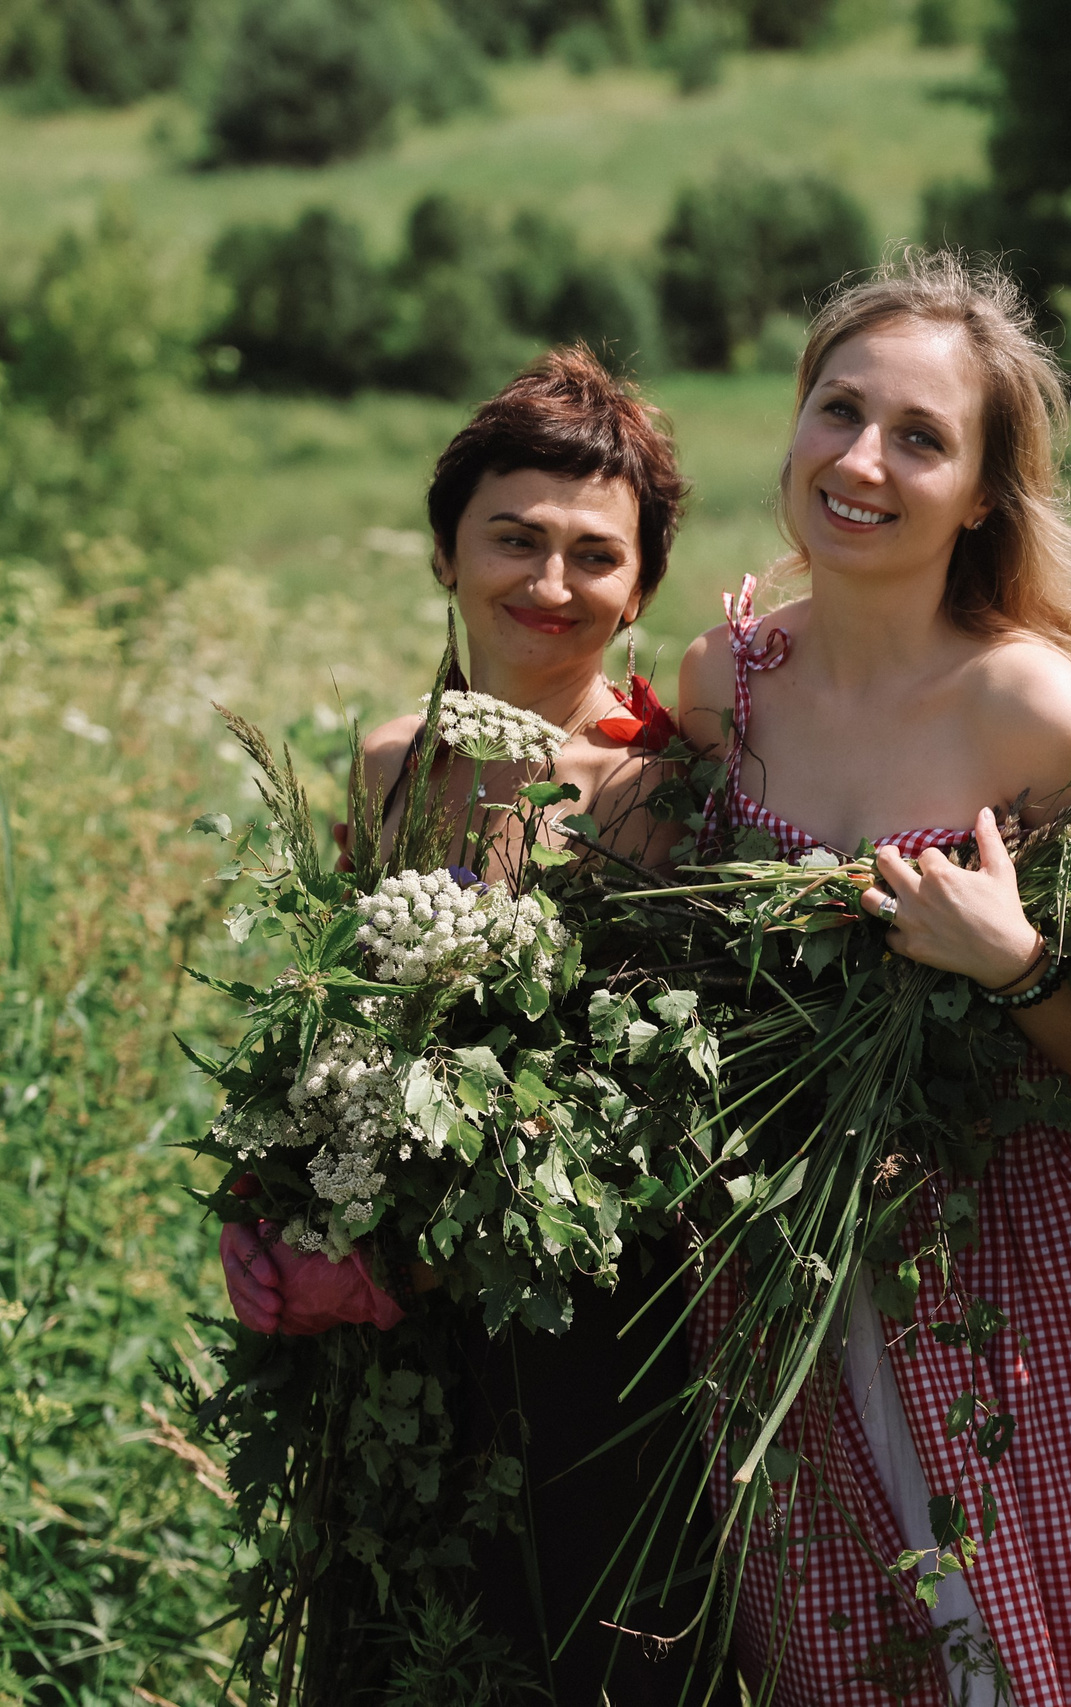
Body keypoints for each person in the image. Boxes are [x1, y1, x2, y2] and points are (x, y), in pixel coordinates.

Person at [676, 252, 1071, 1707]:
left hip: (1008, 1253)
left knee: (1039, 1667)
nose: (861, 462)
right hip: (784, 1255)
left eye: (920, 437)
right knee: (843, 1659)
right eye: (837, 411)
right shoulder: (724, 687)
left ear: (982, 492)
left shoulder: (1030, 707)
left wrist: (1014, 960)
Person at [219, 347, 709, 1704]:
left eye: (594, 556)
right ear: (446, 554)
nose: (551, 585)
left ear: (642, 588)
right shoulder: (393, 765)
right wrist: (282, 1205)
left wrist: (421, 1255)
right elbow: (351, 1028)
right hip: (397, 1352)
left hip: (594, 1339)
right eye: (513, 539)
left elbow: (652, 1124)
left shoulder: (661, 797)